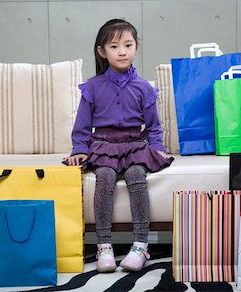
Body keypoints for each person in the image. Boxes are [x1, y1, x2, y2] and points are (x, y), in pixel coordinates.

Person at [64, 18, 173, 273]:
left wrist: (156, 146)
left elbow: (154, 126)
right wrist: (79, 149)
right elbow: (81, 127)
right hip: (103, 144)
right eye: (114, 46)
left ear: (136, 47)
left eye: (128, 45)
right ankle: (104, 246)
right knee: (105, 175)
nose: (122, 51)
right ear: (102, 51)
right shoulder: (92, 87)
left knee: (137, 174)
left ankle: (140, 244)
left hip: (135, 144)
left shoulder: (144, 88)